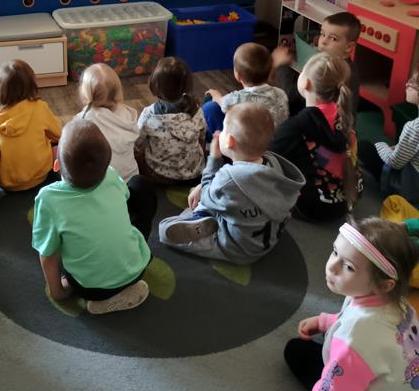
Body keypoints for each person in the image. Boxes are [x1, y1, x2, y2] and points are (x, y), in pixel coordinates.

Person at [263, 218, 419, 391]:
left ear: (384, 284)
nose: (332, 267)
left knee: (296, 352)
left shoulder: (355, 341)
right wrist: (326, 322)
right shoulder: (398, 303)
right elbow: (360, 318)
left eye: (348, 267)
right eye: (335, 252)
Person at [158, 103, 305, 264]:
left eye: (223, 129)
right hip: (267, 238)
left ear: (229, 141)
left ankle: (201, 217)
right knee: (219, 194)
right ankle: (209, 215)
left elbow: (206, 195)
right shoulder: (274, 165)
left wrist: (214, 159)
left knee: (165, 230)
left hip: (237, 249)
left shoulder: (229, 179)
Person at [32, 120, 152, 315]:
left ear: (56, 165)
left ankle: (104, 299)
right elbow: (125, 197)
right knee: (140, 185)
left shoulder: (48, 198)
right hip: (138, 267)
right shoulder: (111, 175)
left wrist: (57, 292)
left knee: (54, 238)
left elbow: (47, 254)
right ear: (106, 165)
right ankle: (123, 267)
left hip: (88, 288)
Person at [270, 52, 359, 223]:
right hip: (348, 197)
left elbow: (266, 151)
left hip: (313, 208)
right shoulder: (344, 113)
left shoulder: (297, 126)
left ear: (306, 83)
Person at [75, 63, 157, 233]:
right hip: (130, 185)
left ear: (85, 93)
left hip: (99, 191)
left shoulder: (82, 121)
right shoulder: (128, 114)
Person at [0, 59, 62, 192]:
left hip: (6, 183)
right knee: (59, 144)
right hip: (41, 176)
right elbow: (58, 134)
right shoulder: (40, 108)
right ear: (31, 85)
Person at [272, 11, 361, 117]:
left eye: (333, 38)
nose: (323, 41)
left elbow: (292, 98)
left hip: (318, 123)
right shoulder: (347, 66)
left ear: (349, 47)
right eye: (323, 34)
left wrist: (281, 65)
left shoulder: (328, 71)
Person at [136, 57, 206, 183]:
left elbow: (137, 142)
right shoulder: (197, 111)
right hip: (194, 174)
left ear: (155, 85)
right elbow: (202, 137)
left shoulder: (149, 114)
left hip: (160, 176)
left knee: (136, 152)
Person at [359, 69, 419, 205]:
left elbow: (395, 163)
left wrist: (382, 146)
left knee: (364, 147)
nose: (407, 85)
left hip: (409, 185)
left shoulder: (413, 128)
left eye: (412, 83)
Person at [203, 42, 289, 137]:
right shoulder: (281, 93)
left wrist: (214, 94)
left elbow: (222, 102)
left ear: (238, 76)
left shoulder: (236, 99)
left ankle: (212, 139)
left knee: (209, 105)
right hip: (276, 140)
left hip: (248, 143)